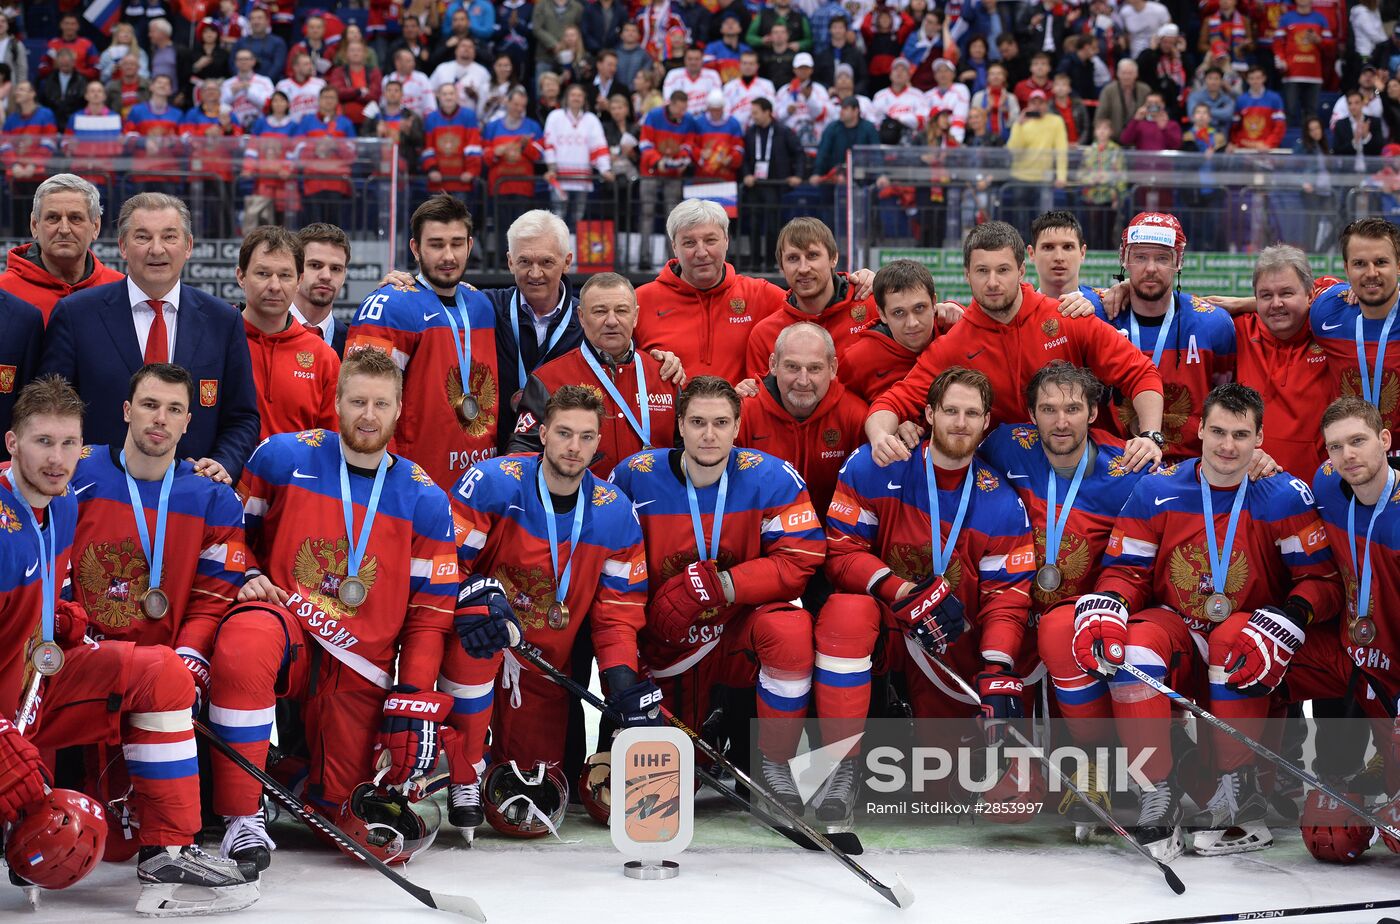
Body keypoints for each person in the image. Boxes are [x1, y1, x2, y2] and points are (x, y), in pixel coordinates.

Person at [0, 375, 260, 913]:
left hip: (34, 684)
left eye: (69, 443)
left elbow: (37, 601)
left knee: (163, 673)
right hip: (5, 712)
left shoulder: (63, 502)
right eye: (42, 442)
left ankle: (168, 850)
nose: (57, 458)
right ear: (11, 442)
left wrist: (65, 621)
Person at [207, 347, 459, 867]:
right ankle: (240, 817)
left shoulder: (424, 497)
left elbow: (430, 613)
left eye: (381, 404)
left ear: (399, 409)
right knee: (247, 638)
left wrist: (411, 696)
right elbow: (232, 534)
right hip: (289, 631)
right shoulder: (281, 457)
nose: (368, 415)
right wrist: (248, 573)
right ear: (337, 403)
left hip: (359, 662)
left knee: (342, 816)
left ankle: (280, 770)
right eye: (357, 401)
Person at [1070, 384, 1339, 859]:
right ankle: (1155, 793)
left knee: (1237, 636)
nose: (1227, 446)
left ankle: (1239, 795)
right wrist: (1110, 600)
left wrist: (1290, 615)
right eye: (1217, 431)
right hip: (1178, 630)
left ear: (1260, 438)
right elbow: (1126, 570)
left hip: (1246, 643)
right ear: (1198, 429)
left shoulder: (1284, 496)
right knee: (1133, 646)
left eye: (1241, 434)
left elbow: (1322, 580)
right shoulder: (1158, 488)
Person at [817, 366, 1037, 822]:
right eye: (950, 410)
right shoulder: (876, 465)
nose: (960, 422)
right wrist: (900, 590)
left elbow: (1006, 597)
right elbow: (840, 553)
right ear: (929, 414)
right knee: (844, 612)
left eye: (971, 413)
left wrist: (998, 666)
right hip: (888, 629)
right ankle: (840, 767)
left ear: (987, 421)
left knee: (939, 799)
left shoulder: (1001, 502)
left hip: (950, 640)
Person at [438, 385, 648, 833]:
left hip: (544, 667)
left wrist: (621, 677)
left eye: (587, 437)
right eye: (565, 433)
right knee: (473, 639)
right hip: (481, 641)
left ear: (598, 442)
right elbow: (442, 567)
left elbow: (617, 614)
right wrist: (474, 594)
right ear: (543, 432)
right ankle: (460, 764)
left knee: (531, 792)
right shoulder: (493, 483)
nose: (574, 447)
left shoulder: (615, 513)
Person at [610, 375, 826, 809]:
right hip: (666, 641)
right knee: (656, 797)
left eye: (721, 423)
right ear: (679, 425)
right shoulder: (635, 476)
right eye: (698, 422)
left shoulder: (771, 476)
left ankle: (775, 762)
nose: (709, 435)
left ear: (737, 426)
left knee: (790, 628)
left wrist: (725, 584)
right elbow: (608, 569)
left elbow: (801, 557)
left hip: (736, 632)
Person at [978, 362, 1151, 835]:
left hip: (1079, 620)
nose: (1060, 421)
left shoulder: (1126, 470)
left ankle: (1095, 766)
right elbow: (945, 449)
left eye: (1073, 408)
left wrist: (1259, 463)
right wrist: (908, 427)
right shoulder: (1004, 446)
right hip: (1007, 609)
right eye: (1048, 409)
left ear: (1094, 411)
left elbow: (1190, 491)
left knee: (1064, 640)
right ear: (1030, 414)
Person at [865, 222, 1166, 469]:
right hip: (1005, 477)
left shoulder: (1066, 317)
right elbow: (893, 402)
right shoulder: (954, 345)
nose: (993, 282)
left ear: (1022, 271)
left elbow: (1140, 373)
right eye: (982, 271)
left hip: (1076, 469)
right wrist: (880, 436)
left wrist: (1151, 435)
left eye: (1003, 270)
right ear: (967, 275)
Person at [40, 193, 260, 484]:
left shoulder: (223, 320)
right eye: (143, 237)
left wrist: (223, 462)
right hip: (97, 494)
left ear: (189, 246)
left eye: (169, 237)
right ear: (122, 246)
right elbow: (50, 408)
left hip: (191, 493)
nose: (157, 250)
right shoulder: (76, 315)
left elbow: (243, 417)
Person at [1300, 397, 1400, 865]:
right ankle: (1256, 784)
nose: (1347, 456)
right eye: (1335, 447)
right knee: (1251, 650)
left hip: (1395, 669)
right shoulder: (1327, 482)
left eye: (1358, 441)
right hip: (1354, 654)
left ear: (1385, 440)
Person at [346, 195, 500, 488]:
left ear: (470, 245)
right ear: (415, 248)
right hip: (411, 484)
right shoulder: (390, 306)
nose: (448, 256)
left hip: (478, 484)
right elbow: (361, 402)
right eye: (436, 244)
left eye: (456, 244)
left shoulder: (481, 305)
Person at [1080, 212, 1236, 459]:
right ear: (1124, 259)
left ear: (1179, 261)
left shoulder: (1214, 325)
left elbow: (1227, 405)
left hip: (1187, 469)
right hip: (1111, 467)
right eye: (1140, 257)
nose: (1151, 268)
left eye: (1162, 258)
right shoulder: (1095, 316)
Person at [508, 273, 681, 474]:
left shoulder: (665, 374)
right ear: (581, 316)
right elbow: (522, 454)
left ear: (635, 316)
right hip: (582, 502)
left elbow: (685, 447)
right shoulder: (548, 379)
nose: (611, 321)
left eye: (622, 311)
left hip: (653, 502)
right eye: (600, 311)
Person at [635, 199, 789, 384]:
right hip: (668, 413)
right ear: (674, 247)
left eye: (710, 240)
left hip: (740, 413)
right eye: (689, 243)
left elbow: (813, 326)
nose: (701, 252)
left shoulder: (761, 295)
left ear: (726, 241)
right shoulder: (641, 301)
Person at [737, 322, 866, 519]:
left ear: (833, 368)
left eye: (814, 368)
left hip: (834, 540)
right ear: (773, 365)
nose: (803, 381)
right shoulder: (744, 413)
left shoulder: (855, 416)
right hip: (760, 540)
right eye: (792, 367)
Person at [1233, 245, 1333, 479]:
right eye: (1266, 295)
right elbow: (1181, 308)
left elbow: (1343, 288)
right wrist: (1127, 287)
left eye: (1286, 293)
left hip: (1317, 489)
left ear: (1310, 296)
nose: (1276, 303)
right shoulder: (1239, 330)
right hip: (1253, 487)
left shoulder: (1331, 331)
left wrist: (1242, 301)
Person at [237, 227, 339, 439]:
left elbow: (331, 441)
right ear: (241, 276)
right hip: (226, 471)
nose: (274, 285)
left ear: (299, 281)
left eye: (285, 275)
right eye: (263, 274)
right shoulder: (217, 339)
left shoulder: (323, 357)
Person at [744, 217, 876, 377]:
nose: (803, 268)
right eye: (793, 258)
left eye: (812, 255)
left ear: (833, 258)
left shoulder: (872, 306)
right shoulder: (765, 335)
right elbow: (762, 399)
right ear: (781, 267)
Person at [0, 174, 124, 320]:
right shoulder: (4, 292)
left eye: (75, 218)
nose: (64, 229)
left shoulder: (121, 290)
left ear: (96, 227)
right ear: (34, 225)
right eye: (53, 218)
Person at [839, 260, 939, 404]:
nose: (912, 323)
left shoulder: (953, 334)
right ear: (882, 314)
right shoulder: (856, 360)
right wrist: (885, 422)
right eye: (899, 312)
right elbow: (843, 415)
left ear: (934, 303)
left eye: (919, 308)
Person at [638, 90, 699, 266]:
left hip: (673, 174)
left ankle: (670, 259)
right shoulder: (653, 116)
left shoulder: (687, 120)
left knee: (672, 217)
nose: (682, 113)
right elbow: (645, 143)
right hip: (650, 172)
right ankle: (644, 258)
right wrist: (658, 161)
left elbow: (689, 144)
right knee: (647, 213)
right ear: (670, 104)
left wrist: (680, 161)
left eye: (684, 109)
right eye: (679, 109)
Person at [542, 83, 612, 226]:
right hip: (560, 176)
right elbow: (548, 143)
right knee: (557, 219)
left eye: (579, 95)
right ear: (566, 98)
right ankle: (557, 249)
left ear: (584, 99)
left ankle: (572, 248)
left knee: (578, 218)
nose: (576, 98)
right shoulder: (555, 116)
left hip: (582, 177)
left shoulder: (591, 119)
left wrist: (605, 169)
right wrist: (551, 168)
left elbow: (599, 145)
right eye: (573, 95)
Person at [422, 81, 484, 197]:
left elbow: (473, 145)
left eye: (451, 93)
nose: (448, 97)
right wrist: (432, 169)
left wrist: (471, 171)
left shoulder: (469, 116)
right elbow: (428, 148)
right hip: (438, 182)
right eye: (444, 94)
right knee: (437, 214)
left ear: (457, 96)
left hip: (462, 181)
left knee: (460, 214)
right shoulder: (431, 118)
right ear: (438, 97)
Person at [1229, 65, 1286, 150]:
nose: (1255, 81)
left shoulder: (1275, 98)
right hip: (1245, 149)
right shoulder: (1241, 100)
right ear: (1247, 80)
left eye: (1258, 78)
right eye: (1252, 78)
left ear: (1264, 78)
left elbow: (1280, 126)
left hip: (1266, 149)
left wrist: (1268, 144)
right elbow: (1235, 127)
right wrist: (1238, 142)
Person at [1094, 58, 1151, 141]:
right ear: (1118, 74)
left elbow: (1151, 115)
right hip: (1113, 139)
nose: (1126, 76)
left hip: (1139, 140)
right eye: (1123, 73)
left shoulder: (1145, 90)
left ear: (1136, 74)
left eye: (1130, 73)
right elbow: (1100, 117)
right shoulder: (1108, 90)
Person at [723, 49, 777, 130]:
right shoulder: (729, 87)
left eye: (751, 64)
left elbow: (771, 110)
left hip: (760, 130)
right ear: (739, 65)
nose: (747, 67)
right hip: (736, 132)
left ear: (757, 66)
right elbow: (725, 113)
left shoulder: (767, 85)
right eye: (744, 63)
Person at [221, 48, 276, 129]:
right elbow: (221, 106)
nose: (243, 62)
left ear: (253, 61)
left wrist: (249, 89)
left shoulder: (265, 81)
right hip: (234, 128)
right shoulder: (227, 83)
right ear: (236, 62)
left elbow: (269, 105)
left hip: (260, 127)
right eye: (240, 59)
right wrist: (232, 92)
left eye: (246, 59)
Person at [664, 44, 724, 115]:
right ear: (684, 60)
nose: (693, 62)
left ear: (702, 60)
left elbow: (717, 101)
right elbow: (668, 101)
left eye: (696, 59)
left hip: (705, 119)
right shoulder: (673, 75)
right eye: (690, 59)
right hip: (681, 118)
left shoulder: (712, 75)